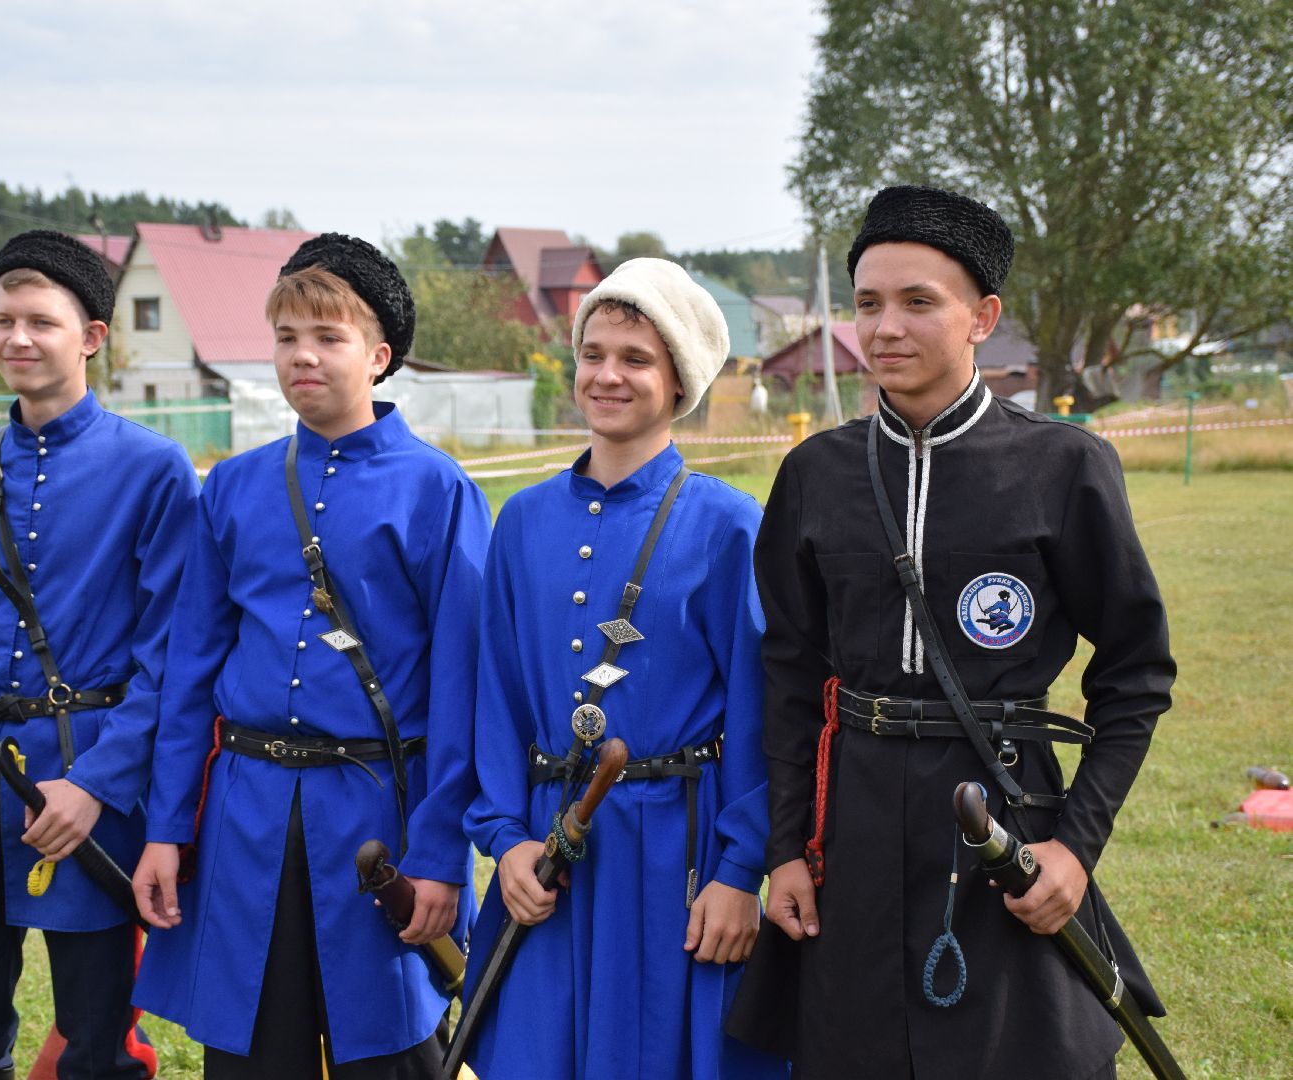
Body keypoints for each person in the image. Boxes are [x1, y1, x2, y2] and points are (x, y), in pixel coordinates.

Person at [731, 185, 1177, 1077]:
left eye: (917, 301)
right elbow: (788, 675)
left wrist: (1074, 848)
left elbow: (1135, 671)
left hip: (1001, 810)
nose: (884, 327)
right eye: (866, 304)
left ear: (983, 317)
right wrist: (785, 850)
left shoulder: (1063, 467)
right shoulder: (814, 473)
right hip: (848, 823)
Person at [130, 234, 491, 1079]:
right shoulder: (231, 487)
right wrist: (165, 830)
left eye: (327, 338)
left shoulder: (439, 493)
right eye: (288, 337)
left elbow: (464, 692)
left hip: (378, 824)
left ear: (378, 355)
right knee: (254, 1058)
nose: (303, 356)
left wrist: (439, 853)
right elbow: (188, 678)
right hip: (245, 820)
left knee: (393, 1057)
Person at [0, 230, 200, 1079]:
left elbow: (168, 659)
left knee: (99, 1044)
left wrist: (97, 785)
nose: (17, 339)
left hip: (90, 786)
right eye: (1, 321)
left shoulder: (156, 470)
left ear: (92, 335)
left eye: (40, 322)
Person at [460, 258, 788, 1079]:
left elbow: (760, 711)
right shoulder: (523, 520)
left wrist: (739, 870)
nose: (607, 375)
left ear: (679, 382)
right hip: (546, 845)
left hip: (676, 853)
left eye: (636, 359)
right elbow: (494, 698)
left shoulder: (728, 525)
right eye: (593, 353)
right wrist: (505, 840)